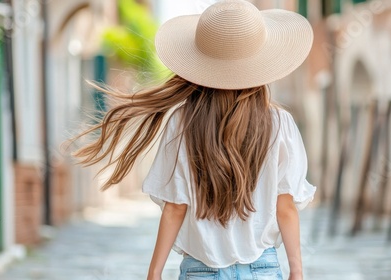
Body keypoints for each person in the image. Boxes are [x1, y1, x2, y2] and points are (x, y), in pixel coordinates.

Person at [69, 0, 316, 279]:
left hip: (202, 270)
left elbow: (175, 207)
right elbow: (285, 207)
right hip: (262, 269)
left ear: (202, 64)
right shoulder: (280, 123)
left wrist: (155, 273)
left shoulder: (182, 122)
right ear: (261, 64)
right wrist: (296, 270)